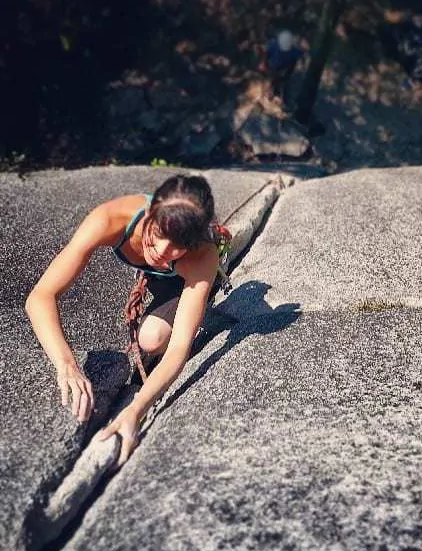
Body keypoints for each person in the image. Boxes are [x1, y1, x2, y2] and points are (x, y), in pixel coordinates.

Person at [25, 175, 221, 466]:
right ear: (151, 212)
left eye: (178, 244)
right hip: (157, 271)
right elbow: (40, 296)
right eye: (160, 232)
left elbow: (179, 347)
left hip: (181, 279)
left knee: (152, 339)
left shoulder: (201, 254)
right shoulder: (109, 219)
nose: (164, 250)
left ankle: (207, 286)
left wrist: (135, 409)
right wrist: (66, 364)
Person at [259, 30, 303, 104]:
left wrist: (298, 65)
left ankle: (284, 99)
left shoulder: (294, 50)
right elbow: (266, 54)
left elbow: (298, 58)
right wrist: (263, 63)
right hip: (274, 66)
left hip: (287, 69)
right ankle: (272, 94)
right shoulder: (273, 45)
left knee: (285, 83)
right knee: (274, 80)